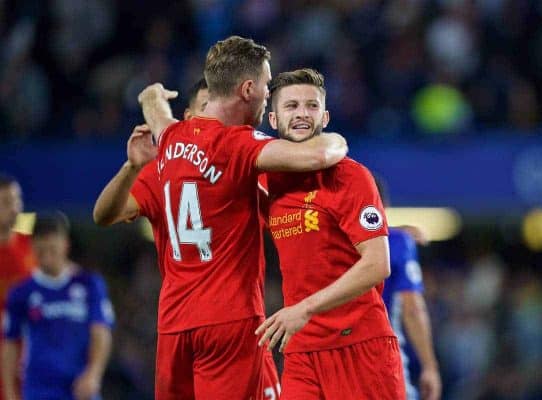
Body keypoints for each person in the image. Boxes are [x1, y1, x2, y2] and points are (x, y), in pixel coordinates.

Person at [96, 35, 347, 399]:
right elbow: (316, 156)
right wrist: (338, 139)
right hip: (230, 319)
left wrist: (149, 97)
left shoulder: (170, 139)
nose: (267, 95)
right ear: (247, 89)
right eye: (265, 85)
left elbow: (158, 117)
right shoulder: (236, 143)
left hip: (173, 324)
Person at [94, 77, 281, 399]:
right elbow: (104, 214)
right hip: (212, 319)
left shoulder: (239, 158)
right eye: (205, 109)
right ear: (186, 119)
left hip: (205, 322)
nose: (212, 119)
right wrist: (131, 167)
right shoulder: (163, 170)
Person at [255, 68, 405, 399]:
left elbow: (378, 264)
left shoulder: (351, 177)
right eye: (291, 106)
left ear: (324, 116)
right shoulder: (268, 182)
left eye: (311, 106)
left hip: (361, 345)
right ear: (273, 119)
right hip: (302, 351)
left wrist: (305, 308)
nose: (301, 114)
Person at [1, 212, 113, 400]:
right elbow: (10, 345)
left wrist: (94, 374)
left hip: (81, 388)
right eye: (41, 251)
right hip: (39, 390)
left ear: (65, 245)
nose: (47, 257)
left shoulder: (89, 284)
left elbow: (101, 332)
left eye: (52, 249)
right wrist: (10, 394)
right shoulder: (21, 292)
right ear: (32, 248)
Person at [381, 222, 442, 400]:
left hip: (329, 357)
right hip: (380, 355)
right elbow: (413, 309)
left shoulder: (325, 242)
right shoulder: (396, 242)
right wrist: (430, 367)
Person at [0, 174, 36, 400]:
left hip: (28, 349)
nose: (14, 208)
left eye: (17, 200)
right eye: (6, 202)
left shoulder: (31, 246)